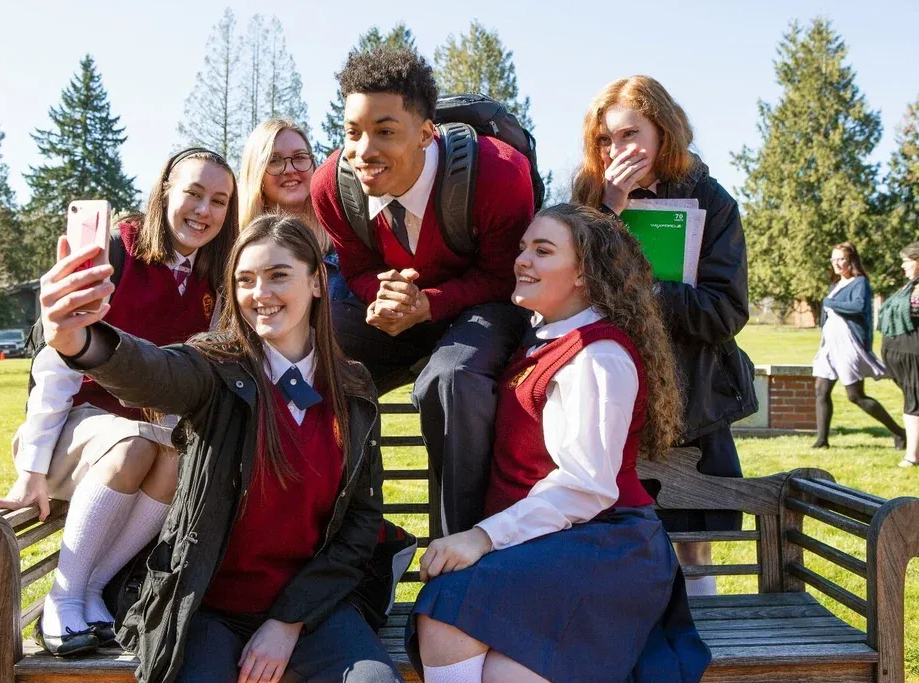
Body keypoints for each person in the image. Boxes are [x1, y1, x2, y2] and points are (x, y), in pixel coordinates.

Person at [38, 214, 404, 683]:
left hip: (315, 608)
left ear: (316, 282)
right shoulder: (216, 368)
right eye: (245, 280)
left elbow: (361, 521)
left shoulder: (352, 386)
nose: (260, 293)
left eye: (278, 275)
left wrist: (288, 620)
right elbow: (155, 371)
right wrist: (82, 340)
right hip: (207, 609)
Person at [406, 204, 711, 683]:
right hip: (555, 542)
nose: (522, 260)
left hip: (607, 546)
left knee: (449, 609)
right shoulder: (544, 340)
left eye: (543, 251)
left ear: (584, 274)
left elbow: (587, 487)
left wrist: (483, 536)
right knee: (487, 651)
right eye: (523, 247)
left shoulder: (597, 355)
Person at [0, 147, 238, 655]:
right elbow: (57, 360)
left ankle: (91, 589)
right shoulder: (118, 252)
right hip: (76, 427)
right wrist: (31, 468)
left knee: (177, 456)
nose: (204, 210)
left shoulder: (214, 277)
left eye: (218, 201)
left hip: (145, 433)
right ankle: (63, 597)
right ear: (164, 192)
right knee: (133, 444)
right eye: (193, 193)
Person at [312, 46, 534, 535]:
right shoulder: (330, 186)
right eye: (352, 132)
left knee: (451, 378)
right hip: (397, 310)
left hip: (483, 305)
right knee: (318, 360)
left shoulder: (501, 173)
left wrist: (430, 304)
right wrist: (385, 297)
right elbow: (356, 268)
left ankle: (462, 548)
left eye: (385, 131)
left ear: (427, 133)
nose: (363, 151)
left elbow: (506, 277)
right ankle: (345, 539)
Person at [571, 75, 758, 596]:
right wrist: (607, 210)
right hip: (608, 387)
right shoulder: (587, 197)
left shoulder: (711, 200)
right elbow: (568, 289)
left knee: (694, 538)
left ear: (663, 131)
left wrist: (648, 291)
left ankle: (700, 623)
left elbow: (726, 310)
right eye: (605, 139)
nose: (616, 150)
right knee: (611, 532)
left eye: (629, 134)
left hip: (692, 391)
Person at [238, 118, 350, 300]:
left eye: (299, 157)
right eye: (274, 160)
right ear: (256, 172)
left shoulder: (344, 242)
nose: (290, 169)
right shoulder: (235, 252)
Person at [813, 241, 905, 449]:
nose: (836, 263)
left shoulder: (860, 283)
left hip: (849, 346)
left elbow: (858, 306)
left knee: (855, 395)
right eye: (833, 259)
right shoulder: (835, 285)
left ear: (851, 260)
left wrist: (829, 302)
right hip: (829, 346)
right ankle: (822, 440)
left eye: (841, 259)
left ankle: (899, 433)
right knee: (821, 390)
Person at [879, 242, 919, 467]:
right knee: (912, 403)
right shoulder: (909, 287)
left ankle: (912, 456)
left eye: (906, 261)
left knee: (913, 405)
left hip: (913, 356)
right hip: (902, 358)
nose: (903, 266)